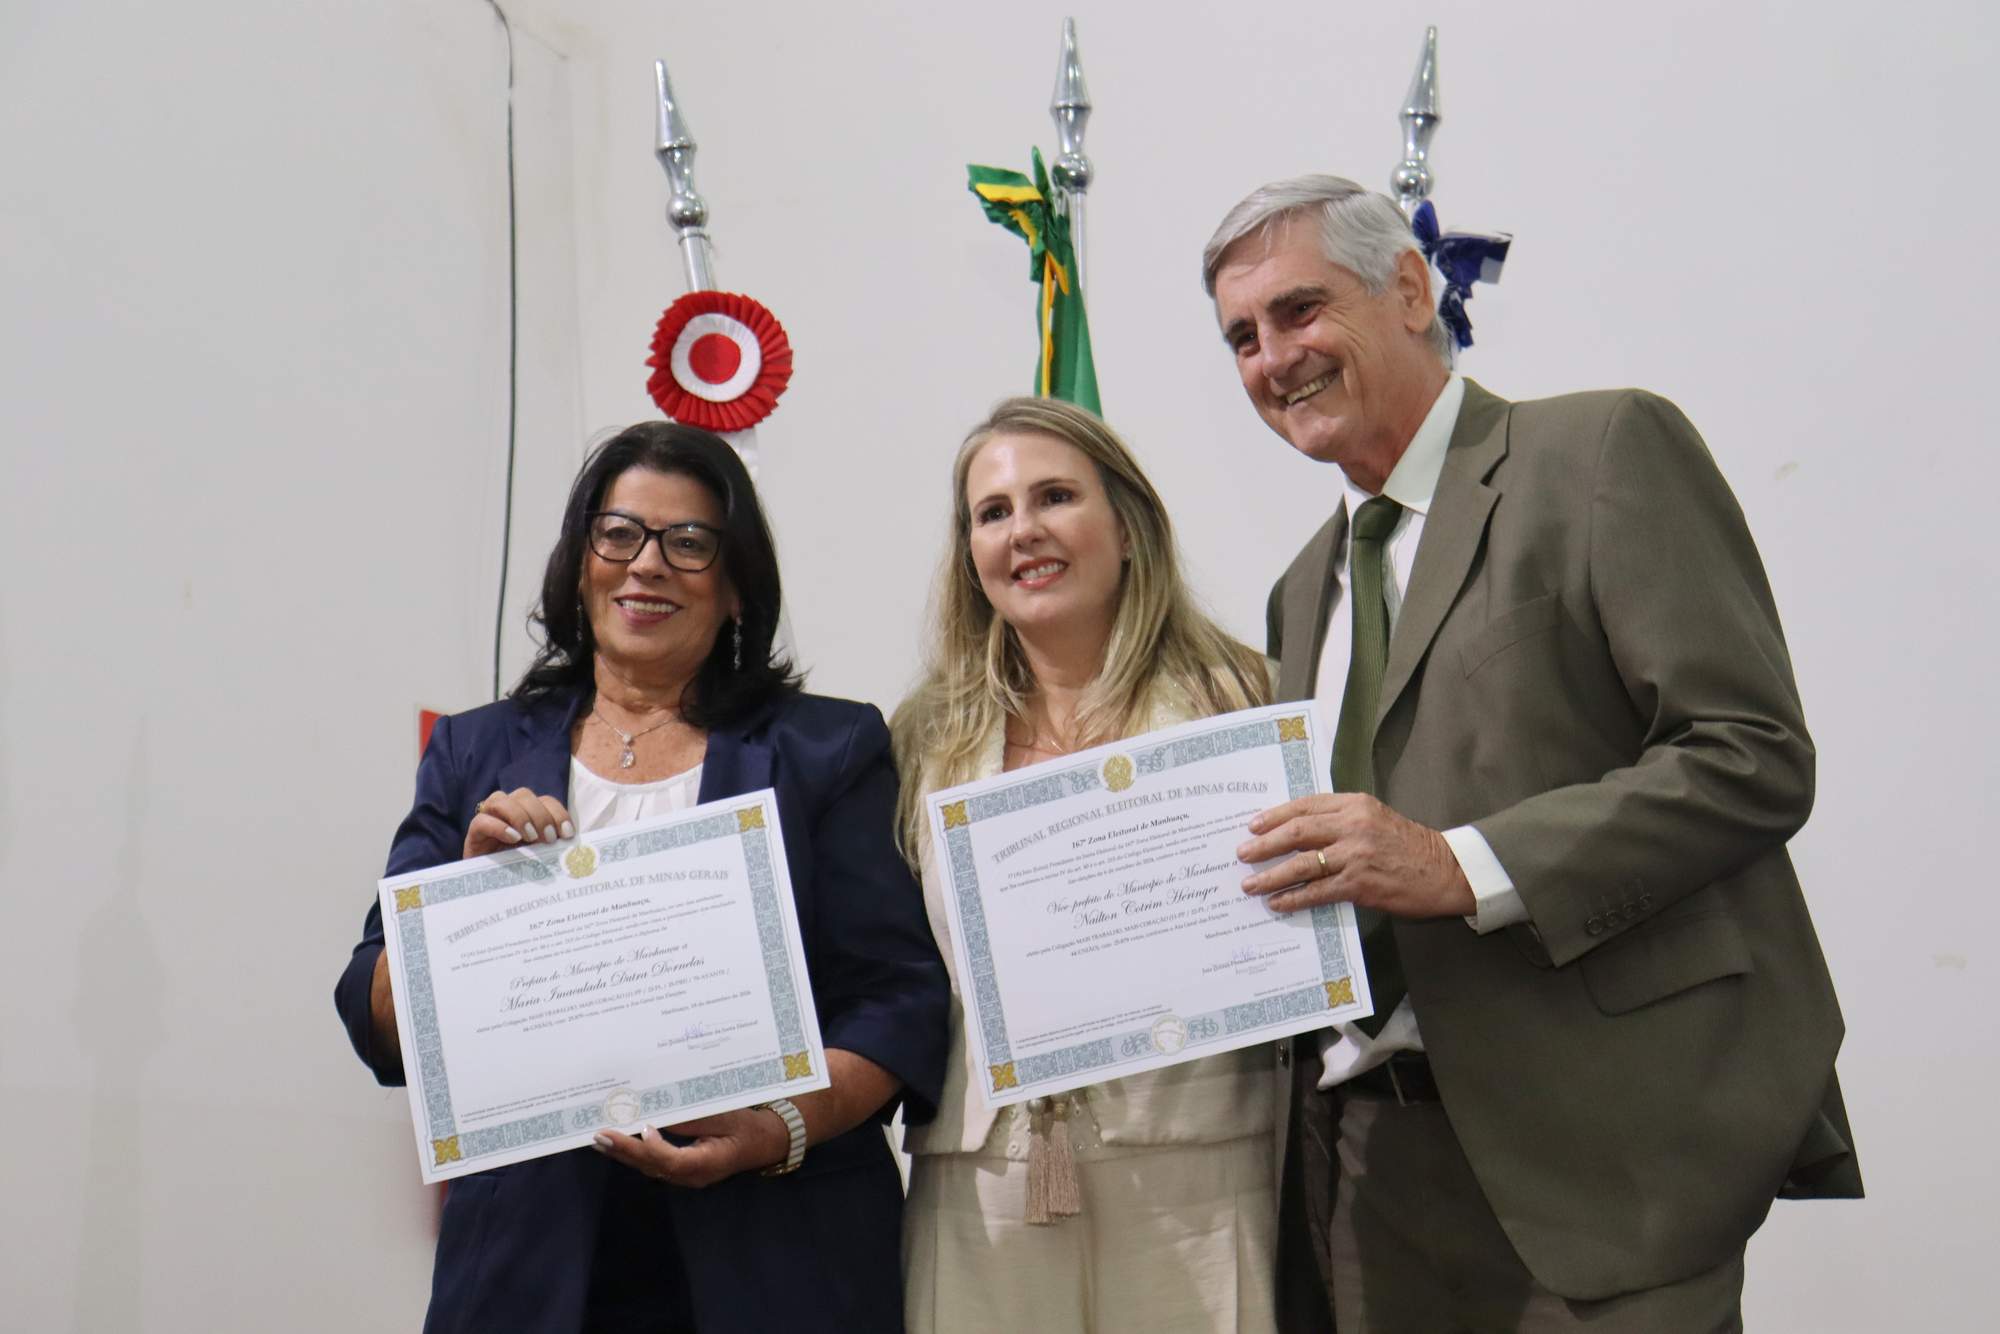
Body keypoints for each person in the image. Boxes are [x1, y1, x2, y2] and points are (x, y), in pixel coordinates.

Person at [1202, 175, 1861, 1332]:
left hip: (1609, 1158)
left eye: (1299, 310)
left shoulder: (1596, 449)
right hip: (1370, 1168)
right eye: (1241, 337)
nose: (1271, 358)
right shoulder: (1299, 589)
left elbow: (1749, 753)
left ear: (1410, 289)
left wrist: (1461, 865)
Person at [333, 421, 949, 1334]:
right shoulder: (475, 750)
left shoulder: (828, 747)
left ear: (737, 587)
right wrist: (459, 916)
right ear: (581, 565)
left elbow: (896, 999)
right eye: (618, 534)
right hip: (530, 1271)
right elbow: (372, 1011)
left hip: (779, 1259)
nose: (647, 565)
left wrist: (776, 1126)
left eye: (689, 542)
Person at [891, 396, 1279, 1334]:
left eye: (1055, 497)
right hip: (982, 1182)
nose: (1023, 530)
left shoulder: (1246, 699)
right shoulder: (921, 738)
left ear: (1130, 527)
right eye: (992, 512)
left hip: (1198, 1165)